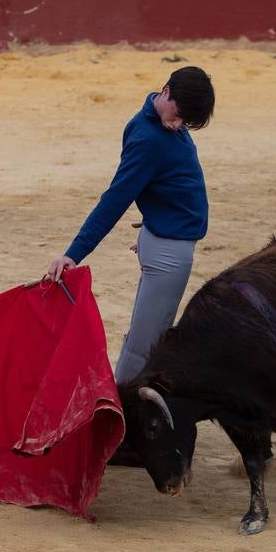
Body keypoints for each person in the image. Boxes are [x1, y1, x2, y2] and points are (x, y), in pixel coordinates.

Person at [45, 66, 215, 385]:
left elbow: (163, 181)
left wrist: (156, 217)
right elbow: (116, 198)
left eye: (185, 122)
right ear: (165, 91)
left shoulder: (159, 123)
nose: (178, 125)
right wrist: (74, 253)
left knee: (148, 336)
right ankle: (120, 422)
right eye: (178, 116)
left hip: (162, 237)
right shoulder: (151, 138)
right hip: (168, 251)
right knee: (146, 345)